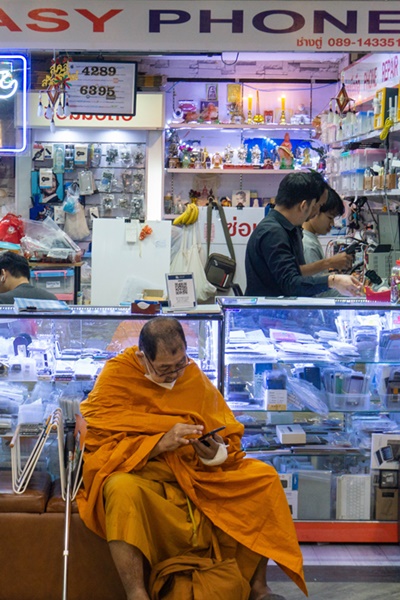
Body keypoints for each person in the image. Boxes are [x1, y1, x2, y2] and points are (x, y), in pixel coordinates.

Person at [77, 317, 307, 600]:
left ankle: (258, 587)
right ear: (142, 357)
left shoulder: (191, 374)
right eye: (164, 369)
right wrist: (160, 443)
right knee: (119, 490)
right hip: (146, 475)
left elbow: (227, 431)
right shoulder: (118, 375)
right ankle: (136, 593)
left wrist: (216, 452)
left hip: (197, 471)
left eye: (179, 364)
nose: (174, 375)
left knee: (264, 479)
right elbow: (100, 438)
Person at [244, 172, 363, 297]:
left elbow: (296, 272)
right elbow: (291, 284)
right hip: (267, 313)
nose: (316, 211)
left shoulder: (289, 229)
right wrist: (333, 281)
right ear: (303, 205)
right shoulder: (273, 233)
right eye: (314, 205)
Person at [301, 187, 354, 297]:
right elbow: (318, 292)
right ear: (315, 210)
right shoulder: (307, 244)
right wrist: (355, 293)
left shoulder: (311, 239)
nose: (332, 224)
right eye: (330, 218)